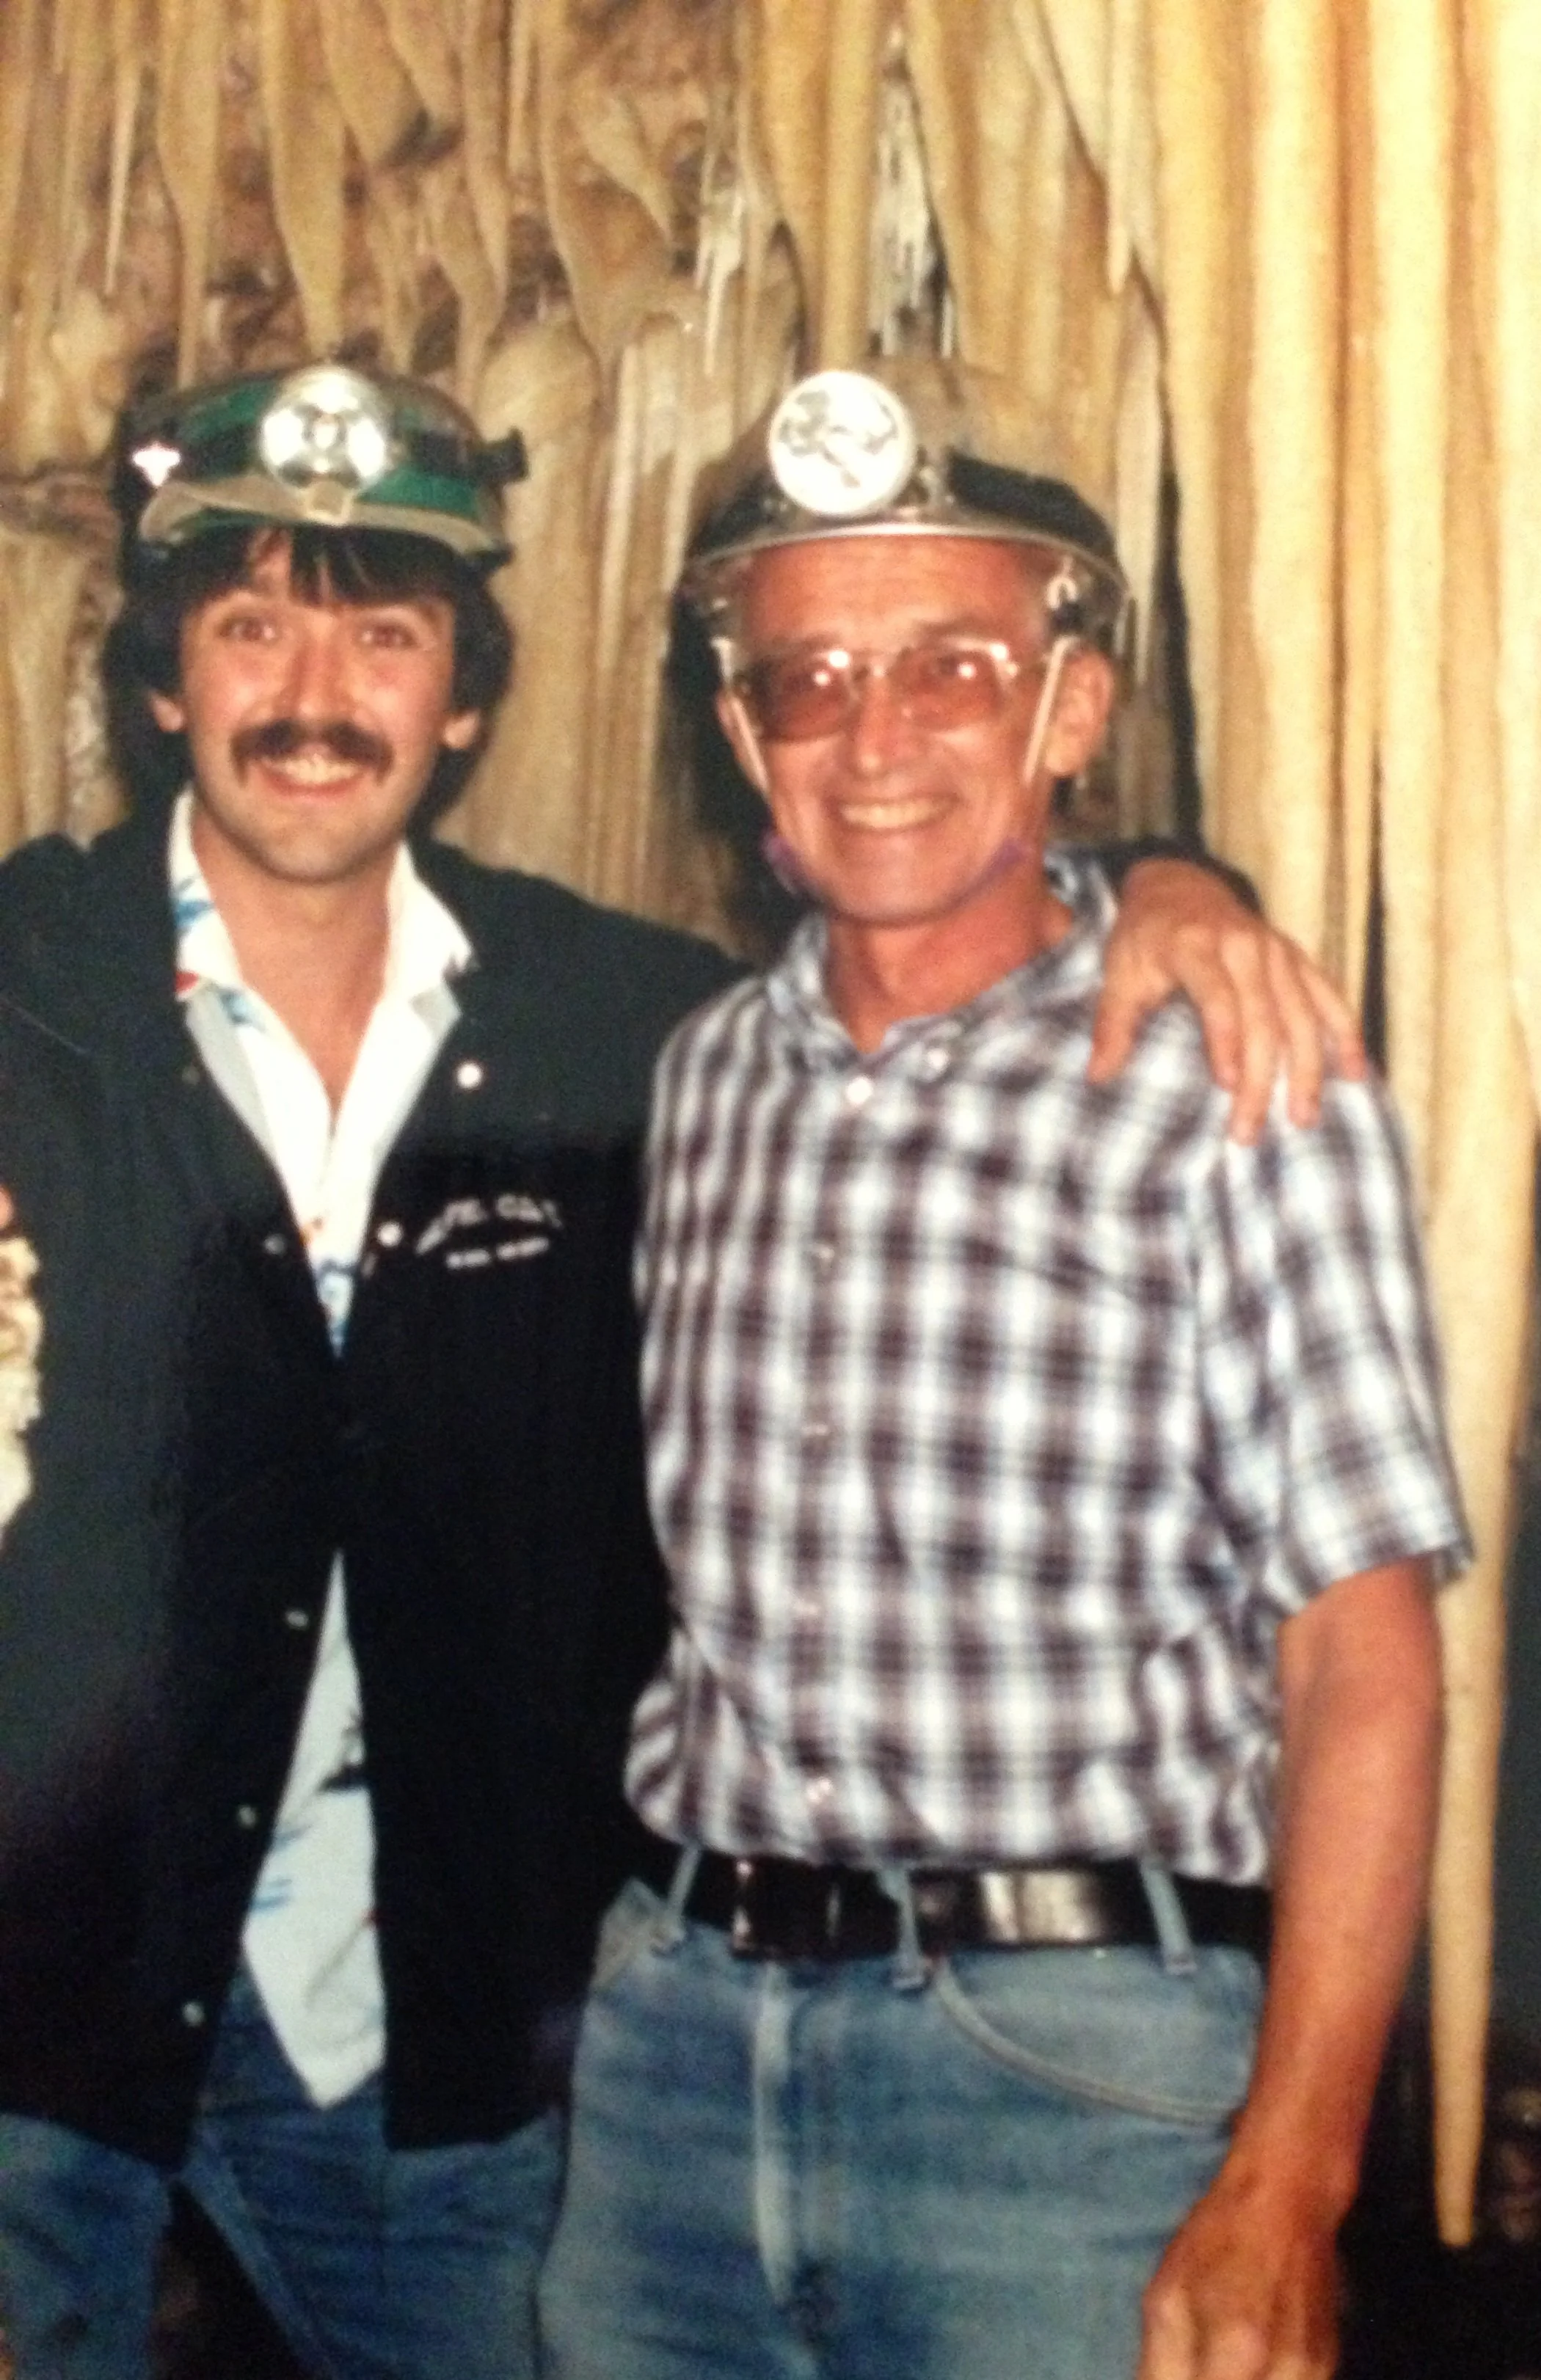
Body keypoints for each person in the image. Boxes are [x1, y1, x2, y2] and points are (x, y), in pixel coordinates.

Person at [0, 359, 1354, 2380]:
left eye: (385, 632)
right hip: (38, 2011)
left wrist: (1166, 884)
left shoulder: (623, 1024)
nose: (314, 689)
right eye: (251, 624)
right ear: (163, 681)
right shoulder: (24, 977)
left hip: (423, 2021)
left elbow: (922, 935)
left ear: (463, 699)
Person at [539, 366, 1471, 2380]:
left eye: (951, 667)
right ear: (740, 736)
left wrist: (1288, 2179)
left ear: (1068, 709)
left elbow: (1361, 1661)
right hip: (675, 2058)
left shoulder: (1237, 1085)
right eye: (806, 680)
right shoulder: (699, 1078)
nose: (871, 738)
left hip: (1067, 2077)